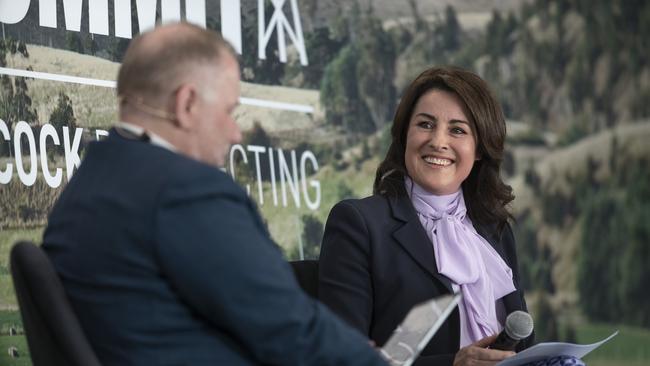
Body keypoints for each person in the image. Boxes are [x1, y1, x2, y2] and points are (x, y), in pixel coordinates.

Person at [42, 23, 387, 366]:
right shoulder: (186, 193)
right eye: (228, 112)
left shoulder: (86, 185)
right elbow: (290, 330)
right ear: (187, 103)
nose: (236, 134)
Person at [318, 66, 534, 366]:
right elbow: (340, 358)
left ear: (480, 149)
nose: (438, 141)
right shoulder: (359, 224)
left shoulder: (494, 230)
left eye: (457, 130)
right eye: (425, 124)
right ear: (405, 135)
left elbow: (521, 345)